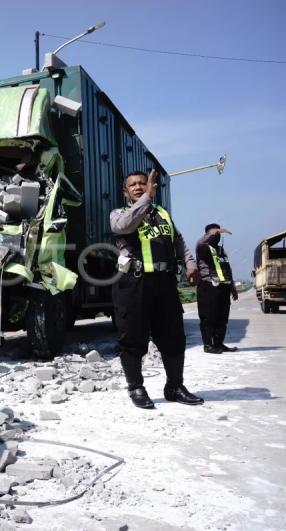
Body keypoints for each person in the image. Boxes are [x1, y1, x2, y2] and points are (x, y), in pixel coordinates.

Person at [110, 169, 204, 409]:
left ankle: (175, 386)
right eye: (133, 185)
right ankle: (136, 388)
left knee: (173, 337)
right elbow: (124, 226)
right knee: (132, 339)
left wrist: (191, 264)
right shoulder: (119, 213)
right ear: (126, 191)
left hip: (165, 283)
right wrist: (146, 199)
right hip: (133, 283)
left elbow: (178, 240)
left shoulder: (163, 213)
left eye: (143, 183)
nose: (139, 187)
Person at [195, 224, 238, 353]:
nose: (217, 236)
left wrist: (233, 288)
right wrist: (216, 231)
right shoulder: (202, 248)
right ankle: (208, 346)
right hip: (208, 287)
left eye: (218, 234)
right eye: (213, 233)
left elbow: (227, 270)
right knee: (208, 318)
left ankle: (219, 344)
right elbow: (201, 242)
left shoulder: (221, 251)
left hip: (223, 288)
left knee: (222, 319)